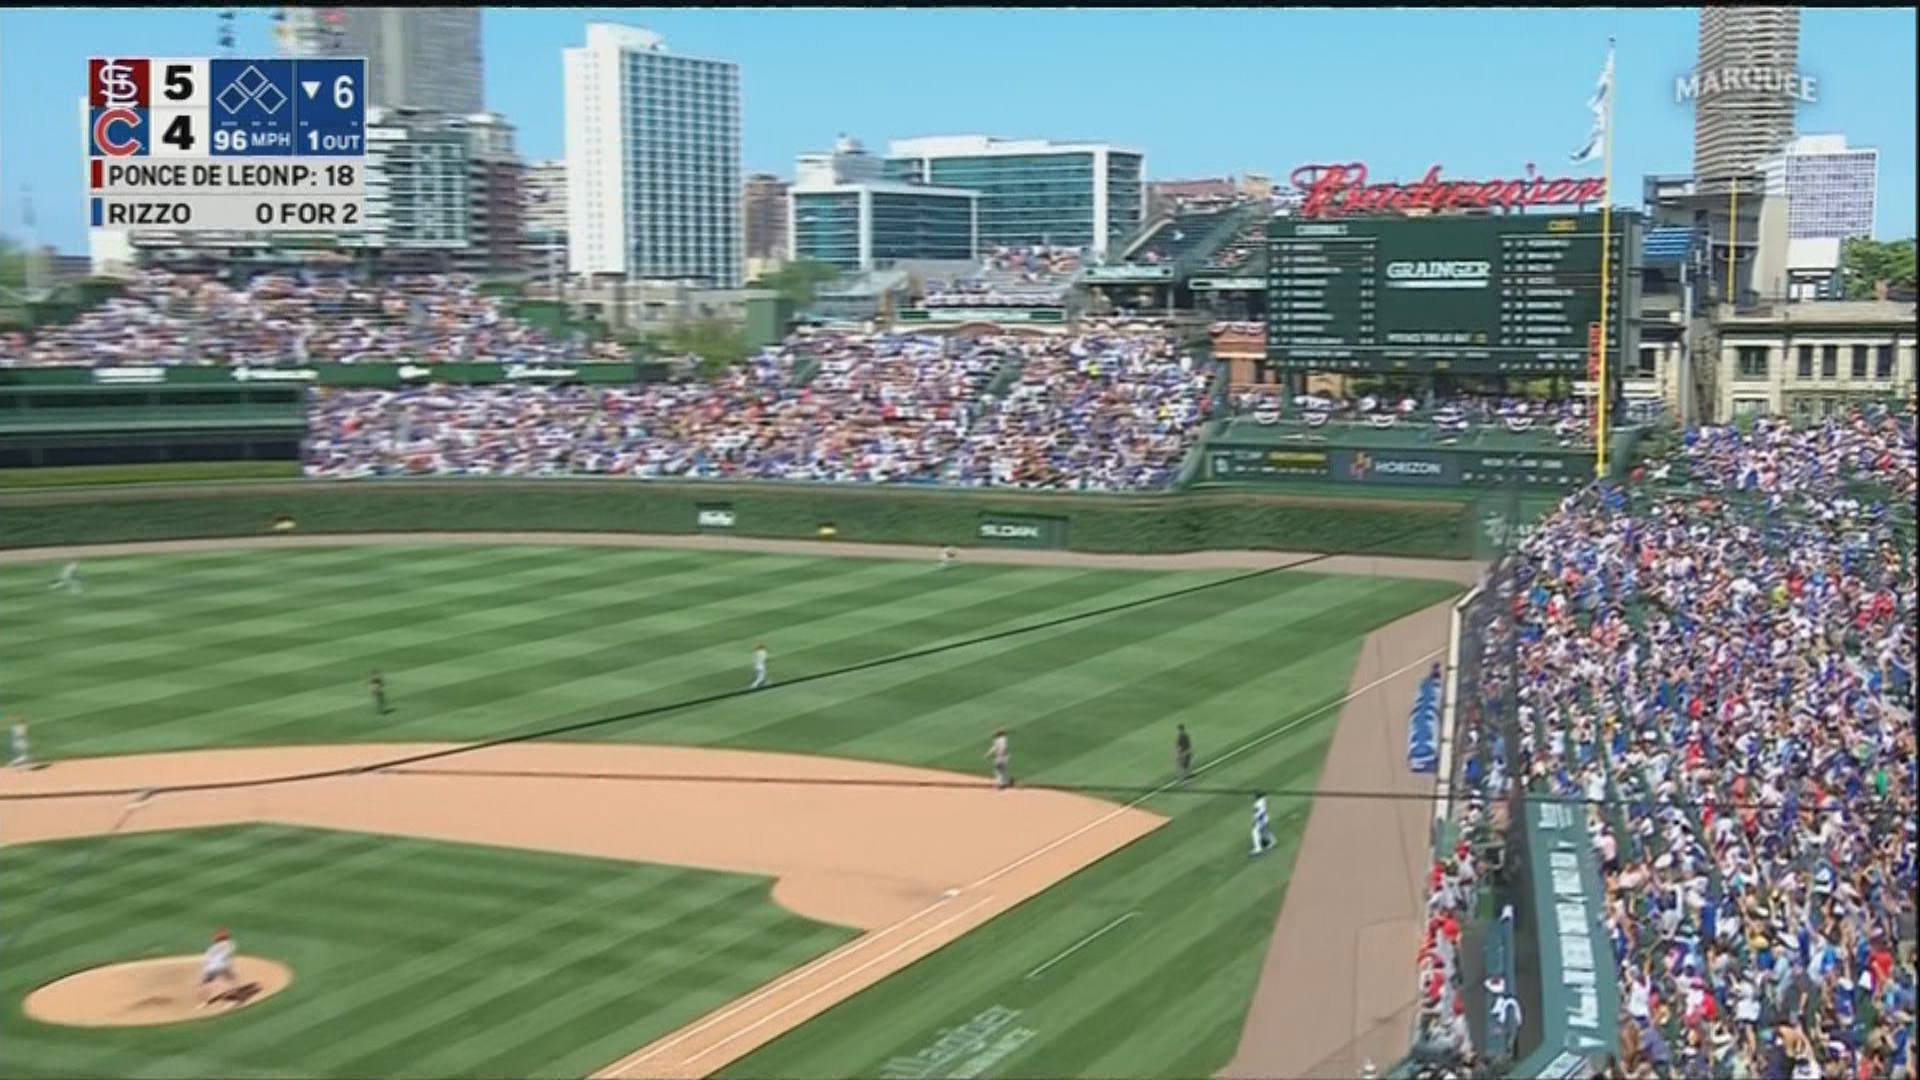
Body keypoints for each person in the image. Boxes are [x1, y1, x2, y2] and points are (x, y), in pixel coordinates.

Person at [199, 929, 238, 1007]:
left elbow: (205, 960)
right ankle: (232, 1000)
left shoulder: (212, 948)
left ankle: (205, 1002)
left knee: (205, 983)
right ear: (226, 938)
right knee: (231, 979)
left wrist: (204, 975)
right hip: (222, 965)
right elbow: (227, 956)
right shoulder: (231, 944)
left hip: (209, 968)